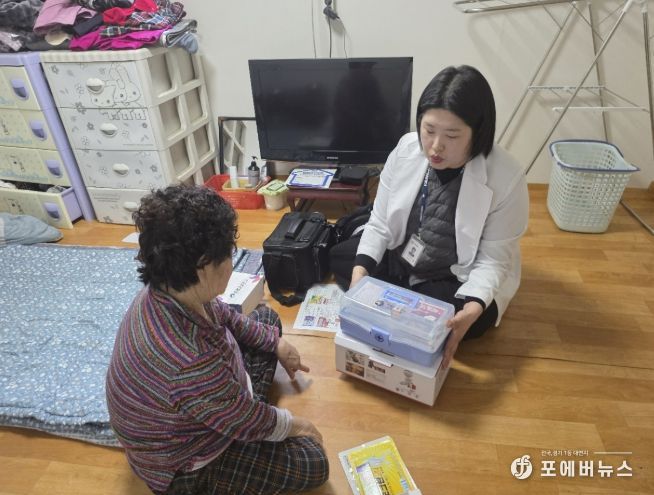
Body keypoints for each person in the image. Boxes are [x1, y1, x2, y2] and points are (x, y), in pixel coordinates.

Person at [106, 185, 329, 495]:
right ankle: (243, 414)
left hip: (211, 400)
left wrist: (276, 344)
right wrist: (295, 424)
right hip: (187, 464)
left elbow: (224, 315)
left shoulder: (172, 287)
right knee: (314, 461)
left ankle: (242, 405)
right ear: (203, 266)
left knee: (266, 321)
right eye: (228, 255)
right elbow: (245, 419)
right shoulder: (189, 360)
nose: (231, 262)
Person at [343, 65, 529, 370]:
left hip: (455, 274)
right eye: (428, 130)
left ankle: (405, 301)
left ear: (478, 132)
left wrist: (473, 307)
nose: (435, 146)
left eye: (452, 135)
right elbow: (380, 222)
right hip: (405, 253)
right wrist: (359, 274)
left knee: (469, 320)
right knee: (345, 260)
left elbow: (493, 260)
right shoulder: (406, 149)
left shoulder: (506, 176)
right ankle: (403, 299)